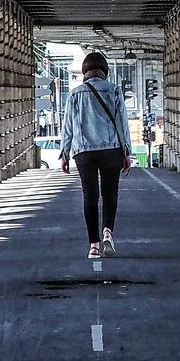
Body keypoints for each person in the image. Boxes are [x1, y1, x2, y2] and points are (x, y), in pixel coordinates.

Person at [59, 51, 132, 258]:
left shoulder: (75, 93)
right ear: (105, 71)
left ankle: (93, 245)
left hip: (84, 152)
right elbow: (122, 124)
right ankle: (108, 231)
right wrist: (126, 151)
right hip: (111, 150)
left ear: (85, 71)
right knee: (110, 194)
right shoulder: (114, 91)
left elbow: (68, 126)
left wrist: (65, 153)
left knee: (89, 197)